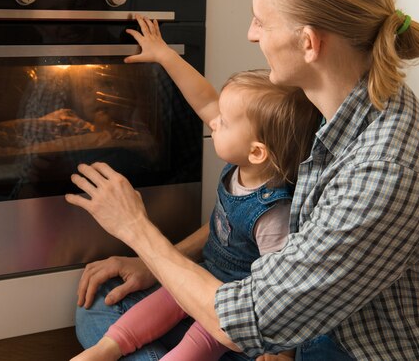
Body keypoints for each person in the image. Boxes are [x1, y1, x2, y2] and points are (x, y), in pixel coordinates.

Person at [65, 0, 419, 359]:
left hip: (338, 347)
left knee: (136, 323)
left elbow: (251, 320)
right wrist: (157, 261)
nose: (251, 34)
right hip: (296, 317)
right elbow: (237, 219)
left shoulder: (387, 170)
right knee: (102, 302)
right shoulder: (324, 106)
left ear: (308, 43)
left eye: (261, 21)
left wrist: (136, 229)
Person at [70, 53, 320, 360]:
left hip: (233, 304)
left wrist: (281, 353)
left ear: (256, 152)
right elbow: (204, 100)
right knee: (161, 300)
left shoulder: (273, 213)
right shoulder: (241, 162)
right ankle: (109, 346)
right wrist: (165, 55)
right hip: (205, 273)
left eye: (224, 122)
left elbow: (282, 291)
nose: (214, 120)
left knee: (198, 341)